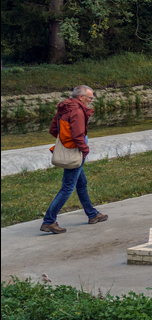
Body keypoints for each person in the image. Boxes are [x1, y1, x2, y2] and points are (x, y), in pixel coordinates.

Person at [41, 85, 108, 234]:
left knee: (81, 183)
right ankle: (49, 221)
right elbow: (78, 135)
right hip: (76, 151)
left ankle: (92, 214)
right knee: (68, 186)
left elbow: (53, 130)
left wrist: (65, 141)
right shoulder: (77, 111)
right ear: (81, 97)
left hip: (70, 148)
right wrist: (84, 150)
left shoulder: (63, 108)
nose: (91, 100)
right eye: (90, 98)